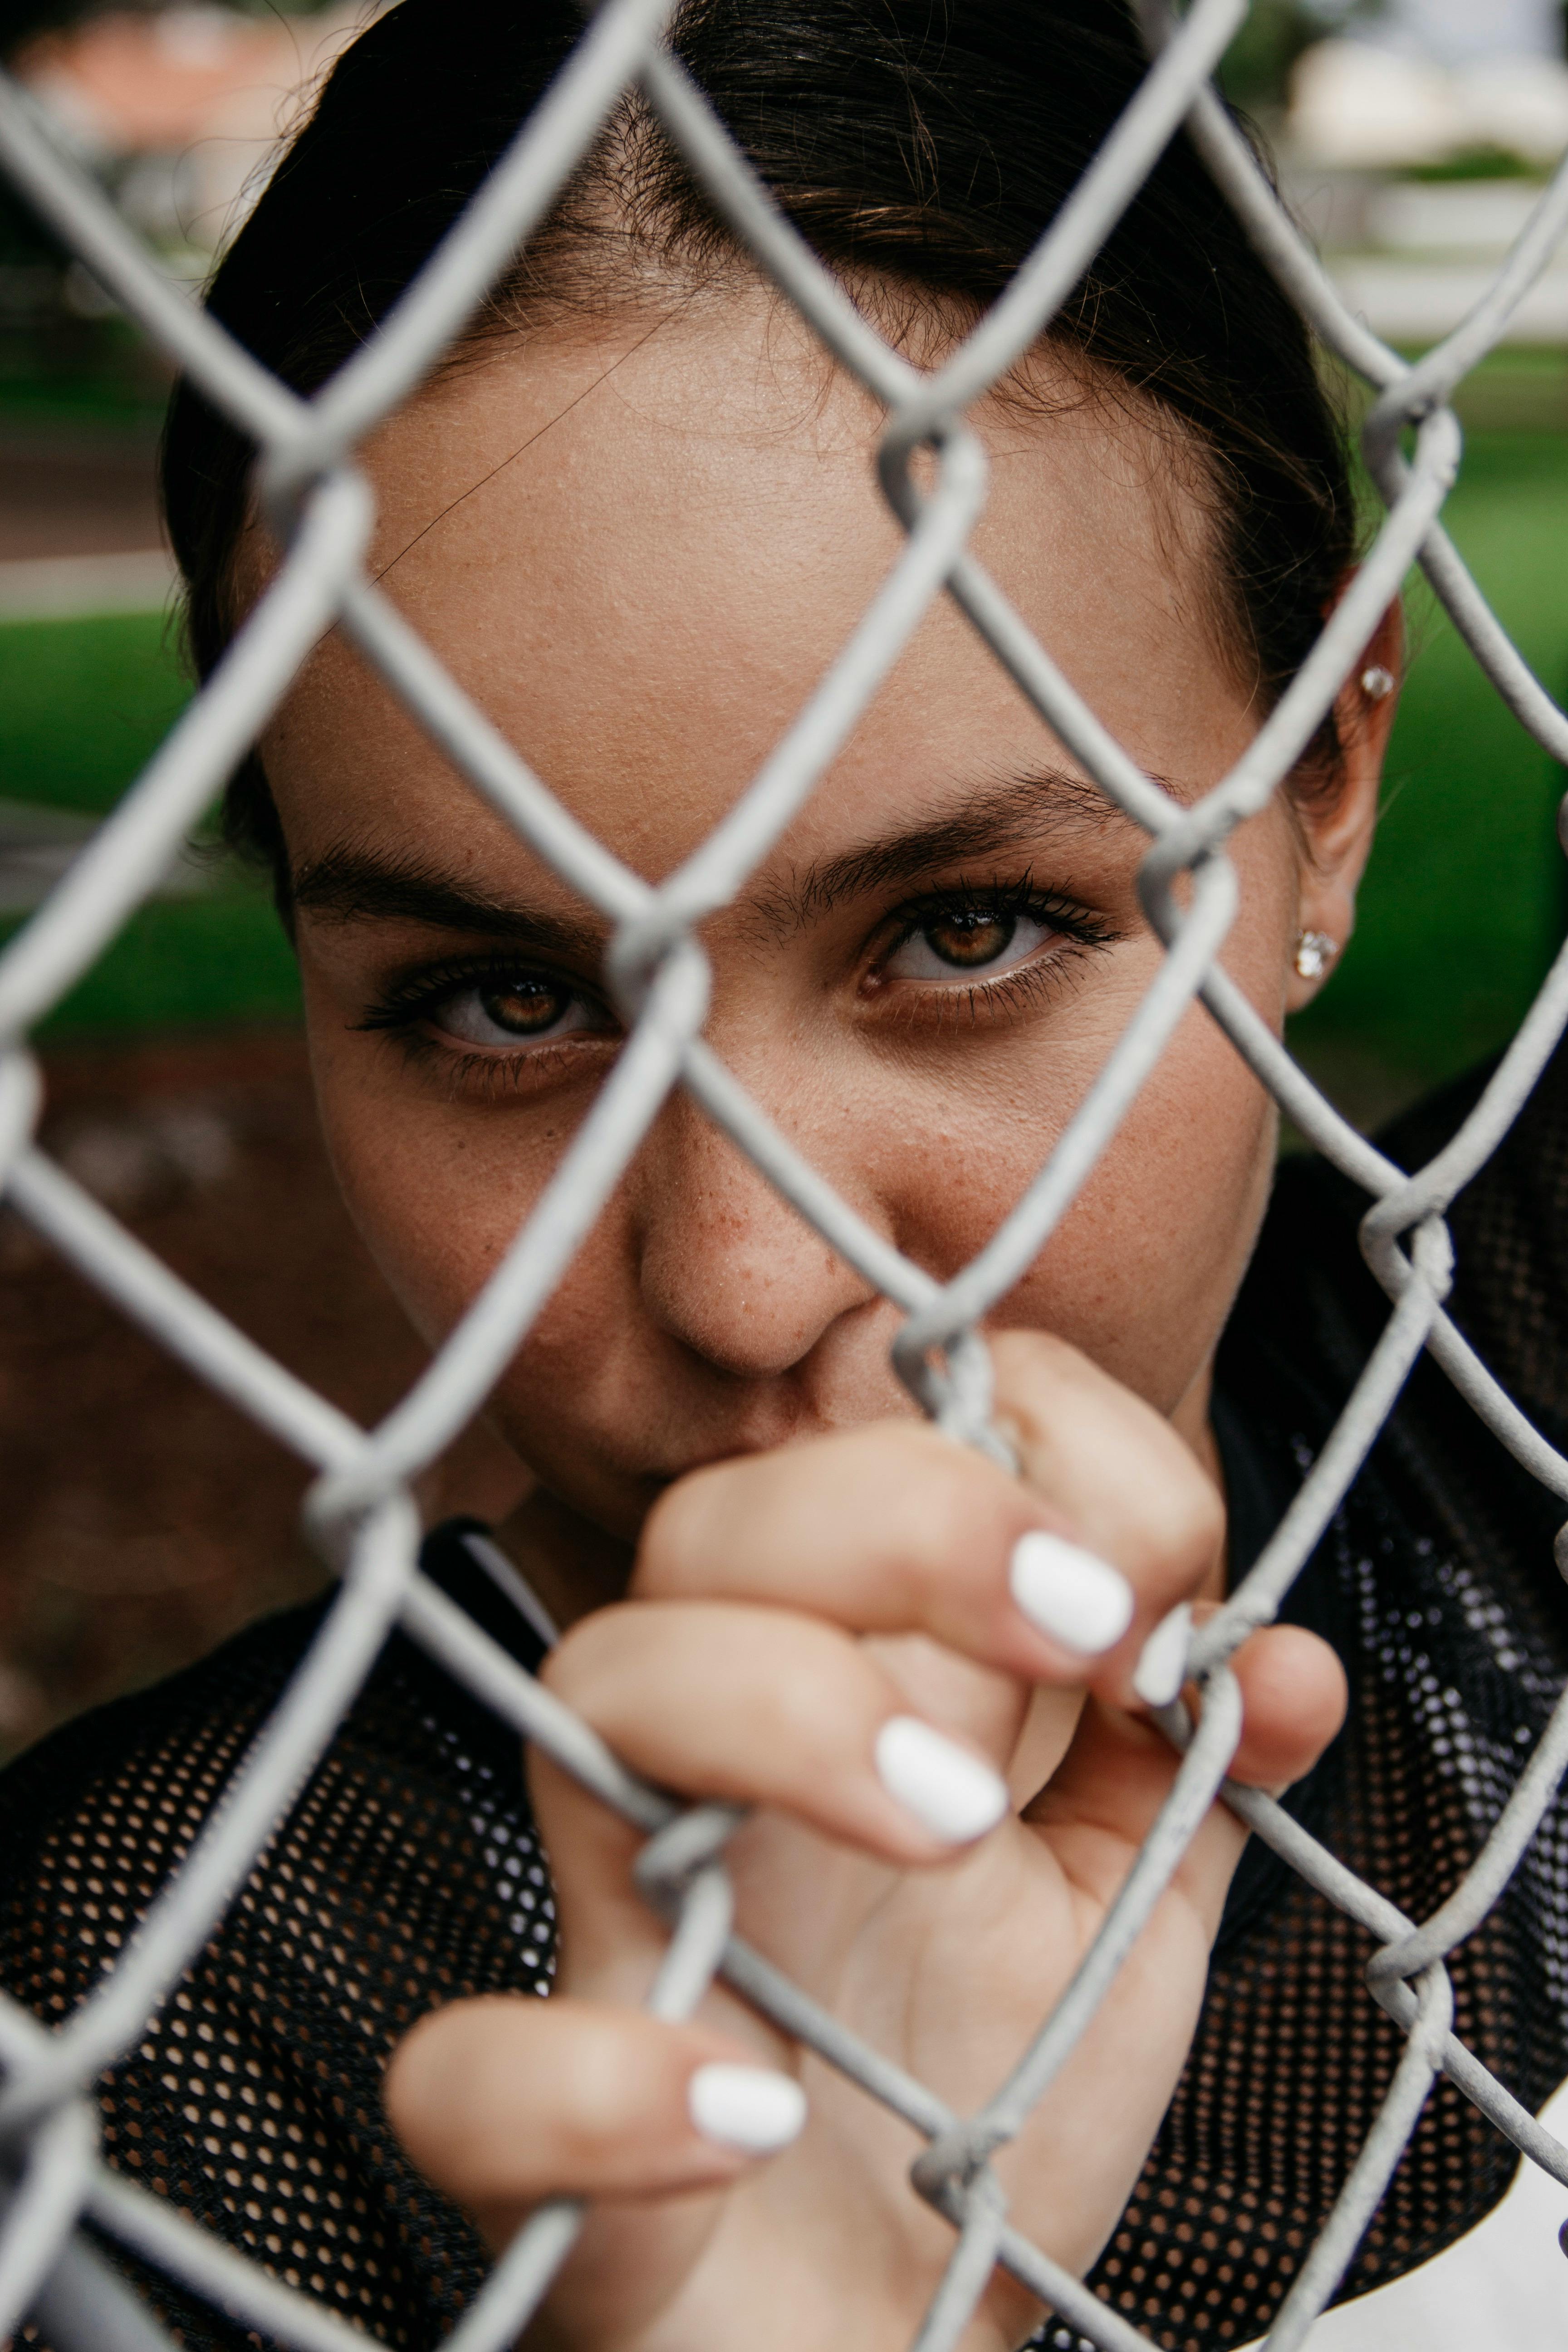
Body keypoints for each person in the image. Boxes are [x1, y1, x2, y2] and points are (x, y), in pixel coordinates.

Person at [5, 1, 1568, 2346]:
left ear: (1318, 785)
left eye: (969, 933)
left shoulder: (1514, 1413)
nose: (746, 1279)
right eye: (504, 1006)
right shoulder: (151, 2038)